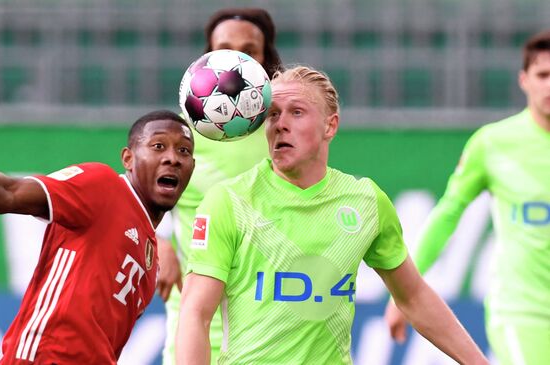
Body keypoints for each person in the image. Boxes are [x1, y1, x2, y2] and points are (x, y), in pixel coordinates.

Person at [175, 65, 489, 364]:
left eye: (296, 112)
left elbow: (414, 296)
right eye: (272, 114)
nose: (281, 123)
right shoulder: (229, 201)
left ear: (330, 125)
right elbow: (195, 314)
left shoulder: (365, 202)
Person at [0, 110, 195, 364]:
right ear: (128, 158)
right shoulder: (102, 186)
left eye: (183, 151)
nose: (172, 158)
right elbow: (10, 193)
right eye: (158, 146)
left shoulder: (149, 254)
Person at [384, 29, 550, 365]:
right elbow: (448, 214)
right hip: (523, 311)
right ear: (524, 80)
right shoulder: (493, 143)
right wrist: (404, 290)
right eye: (543, 75)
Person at [158, 7, 282, 364]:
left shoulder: (283, 126)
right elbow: (140, 188)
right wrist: (160, 240)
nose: (236, 60)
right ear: (207, 58)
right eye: (225, 47)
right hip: (196, 306)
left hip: (268, 309)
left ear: (265, 60)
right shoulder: (180, 130)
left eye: (250, 49)